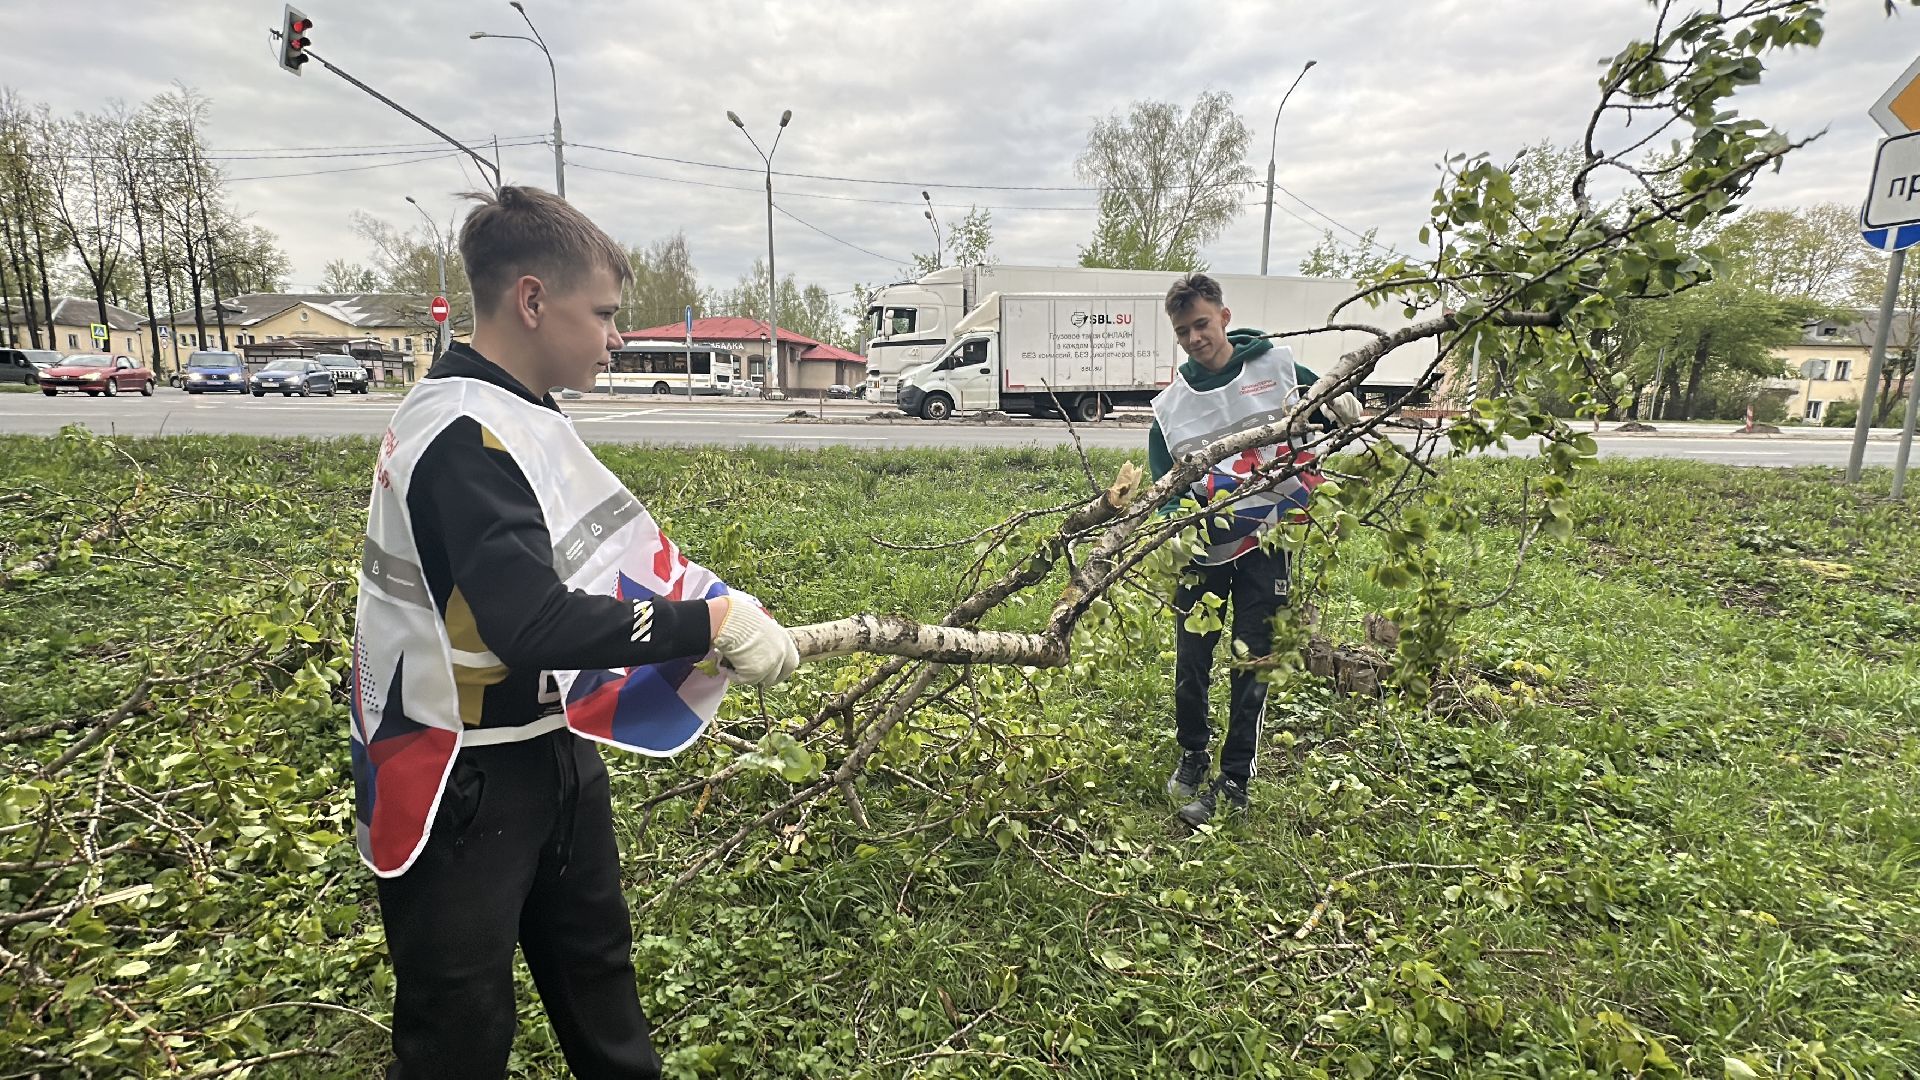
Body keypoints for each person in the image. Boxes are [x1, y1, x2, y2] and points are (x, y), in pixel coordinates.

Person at [349, 185, 800, 1079]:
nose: (614, 336)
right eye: (603, 314)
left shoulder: (525, 416)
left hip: (552, 756)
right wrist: (700, 621)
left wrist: (718, 608)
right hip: (459, 781)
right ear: (531, 299)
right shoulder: (458, 435)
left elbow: (596, 569)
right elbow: (531, 621)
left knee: (602, 989)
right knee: (457, 1035)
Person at [1146, 272, 1354, 827]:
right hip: (1203, 552)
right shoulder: (1169, 408)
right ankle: (1193, 752)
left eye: (1202, 324)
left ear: (1225, 317)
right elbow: (1162, 488)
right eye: (1182, 330)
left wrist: (1342, 407)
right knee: (1192, 661)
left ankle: (1234, 777)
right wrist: (1176, 522)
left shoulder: (1276, 367)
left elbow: (1328, 402)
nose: (1194, 338)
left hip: (1269, 541)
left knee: (1253, 656)